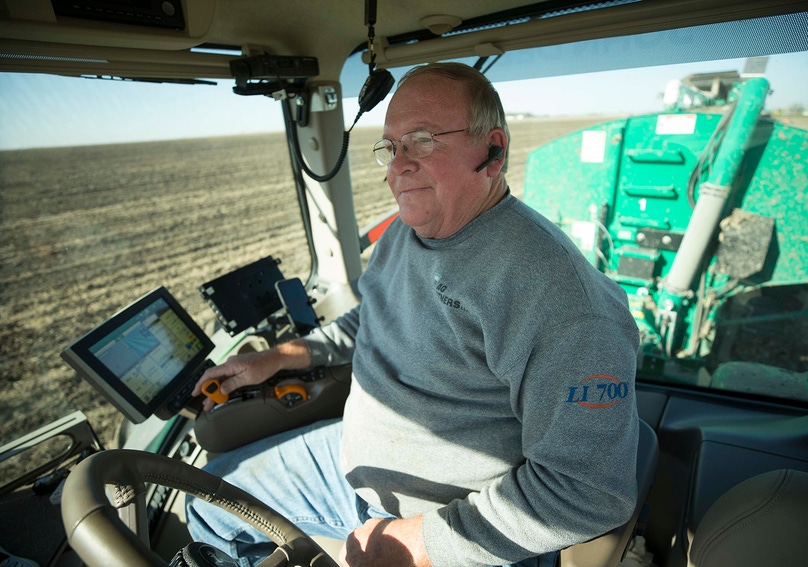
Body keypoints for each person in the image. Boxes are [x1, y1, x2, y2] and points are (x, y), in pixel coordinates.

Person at [186, 62, 640, 567]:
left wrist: (414, 544)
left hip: (449, 519)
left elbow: (586, 492)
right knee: (206, 499)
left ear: (493, 152)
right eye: (391, 145)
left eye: (422, 140)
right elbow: (373, 318)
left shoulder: (558, 297)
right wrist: (278, 358)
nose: (398, 165)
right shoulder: (407, 230)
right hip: (354, 465)